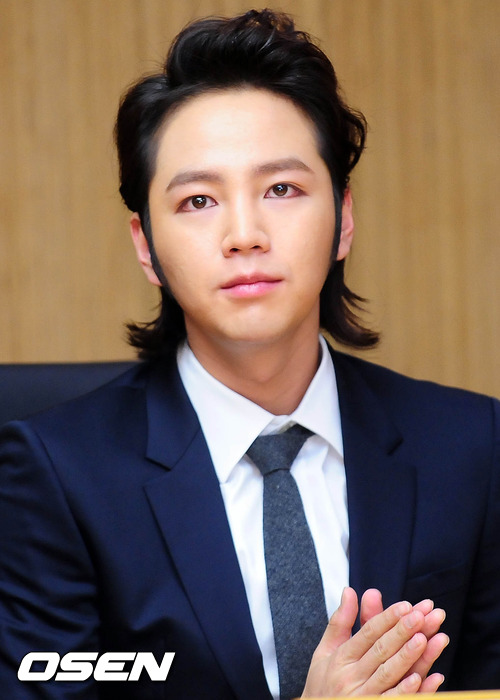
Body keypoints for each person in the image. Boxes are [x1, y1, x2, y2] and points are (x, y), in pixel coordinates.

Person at [0, 8, 499, 699]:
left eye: (282, 189)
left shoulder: (473, 447)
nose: (244, 233)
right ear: (146, 245)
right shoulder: (57, 477)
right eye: (198, 200)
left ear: (344, 218)